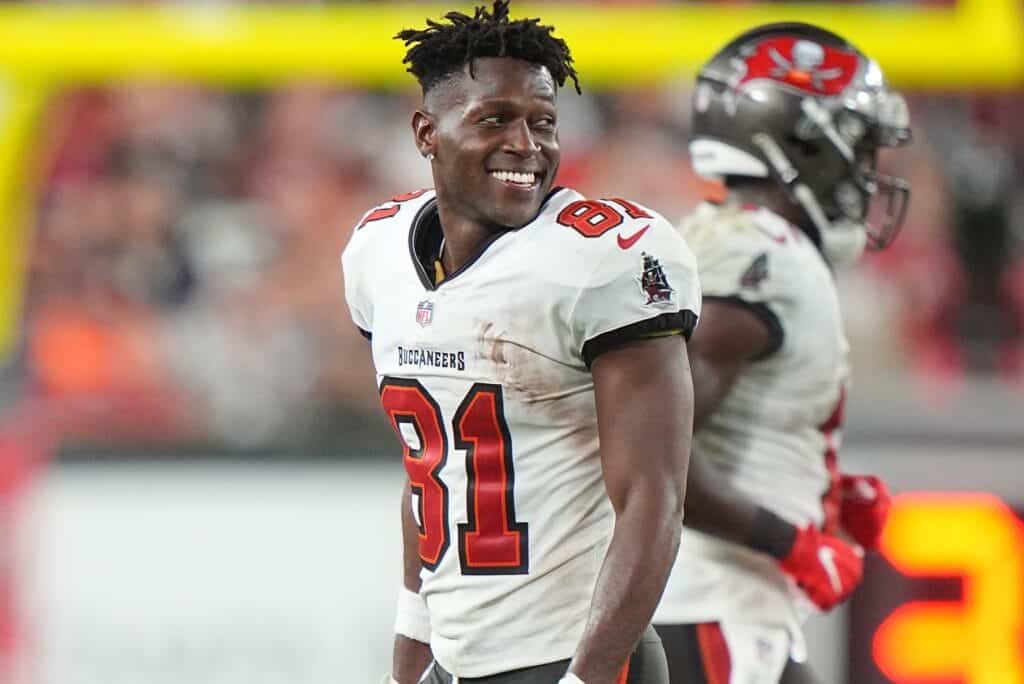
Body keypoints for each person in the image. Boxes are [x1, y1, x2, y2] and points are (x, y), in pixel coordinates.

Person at [341, 3, 702, 683]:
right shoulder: (377, 251)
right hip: (457, 657)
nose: (526, 145)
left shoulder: (603, 258)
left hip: (573, 655)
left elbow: (653, 500)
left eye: (543, 122)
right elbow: (431, 464)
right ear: (426, 133)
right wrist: (413, 641)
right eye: (495, 120)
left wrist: (586, 677)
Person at [651, 23, 909, 684]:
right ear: (803, 142)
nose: (867, 170)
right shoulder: (760, 255)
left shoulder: (727, 238)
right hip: (707, 608)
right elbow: (649, 450)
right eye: (858, 146)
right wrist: (792, 540)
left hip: (707, 608)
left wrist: (819, 490)